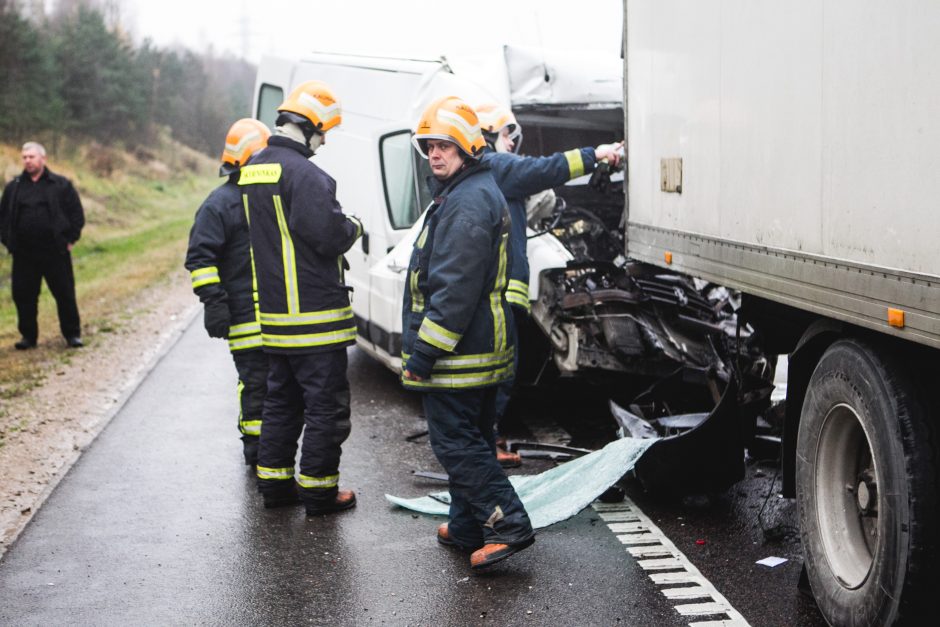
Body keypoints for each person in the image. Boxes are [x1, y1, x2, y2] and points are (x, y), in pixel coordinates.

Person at [402, 95, 535, 570]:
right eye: (429, 147)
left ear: (466, 148)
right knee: (473, 441)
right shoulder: (466, 193)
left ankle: (508, 524)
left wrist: (421, 358)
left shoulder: (466, 202)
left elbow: (453, 293)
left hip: (460, 356)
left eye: (445, 146)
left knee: (457, 445)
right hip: (475, 351)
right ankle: (465, 527)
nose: (435, 155)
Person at [238, 80, 363, 516]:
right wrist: (354, 226)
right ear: (308, 125)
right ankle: (319, 494)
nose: (324, 140)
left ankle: (275, 488)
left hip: (275, 319)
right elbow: (327, 236)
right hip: (315, 319)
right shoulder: (308, 175)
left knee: (281, 404)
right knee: (326, 409)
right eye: (323, 131)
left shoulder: (254, 167)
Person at [475, 103, 623, 467]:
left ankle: (485, 438)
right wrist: (595, 155)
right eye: (507, 134)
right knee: (498, 372)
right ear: (488, 135)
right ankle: (484, 444)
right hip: (501, 294)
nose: (511, 142)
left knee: (498, 371)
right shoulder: (495, 166)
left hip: (500, 293)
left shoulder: (489, 173)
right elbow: (544, 169)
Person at [185, 118, 271, 466]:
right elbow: (200, 259)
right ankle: (256, 450)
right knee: (255, 384)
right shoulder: (219, 204)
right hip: (243, 317)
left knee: (277, 388)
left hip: (279, 317)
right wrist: (215, 303)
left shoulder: (265, 197)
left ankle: (274, 450)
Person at [0, 142, 85, 350]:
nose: (28, 161)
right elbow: (3, 219)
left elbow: (76, 214)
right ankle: (28, 337)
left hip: (55, 251)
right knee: (24, 296)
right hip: (24, 253)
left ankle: (72, 334)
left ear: (43, 159)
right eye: (25, 157)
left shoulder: (60, 185)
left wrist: (70, 239)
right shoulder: (15, 187)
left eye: (32, 157)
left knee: (64, 293)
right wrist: (8, 241)